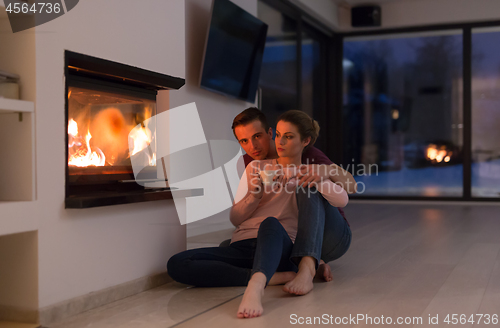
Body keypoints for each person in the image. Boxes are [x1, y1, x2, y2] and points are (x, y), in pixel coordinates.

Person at [167, 110, 349, 318]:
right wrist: (253, 197)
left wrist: (320, 175)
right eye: (279, 136)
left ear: (304, 141)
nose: (280, 142)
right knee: (177, 263)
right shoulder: (254, 166)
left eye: (288, 137)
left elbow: (343, 198)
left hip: (282, 244)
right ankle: (273, 276)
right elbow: (235, 219)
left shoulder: (311, 169)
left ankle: (257, 284)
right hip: (244, 244)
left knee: (269, 223)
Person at [226, 107, 356, 290]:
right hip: (290, 231)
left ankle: (308, 265)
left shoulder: (306, 154)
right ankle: (291, 268)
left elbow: (351, 186)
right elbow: (243, 212)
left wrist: (326, 170)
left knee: (306, 184)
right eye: (244, 141)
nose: (252, 146)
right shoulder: (251, 163)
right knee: (233, 246)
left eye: (257, 136)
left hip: (329, 233)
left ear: (268, 133)